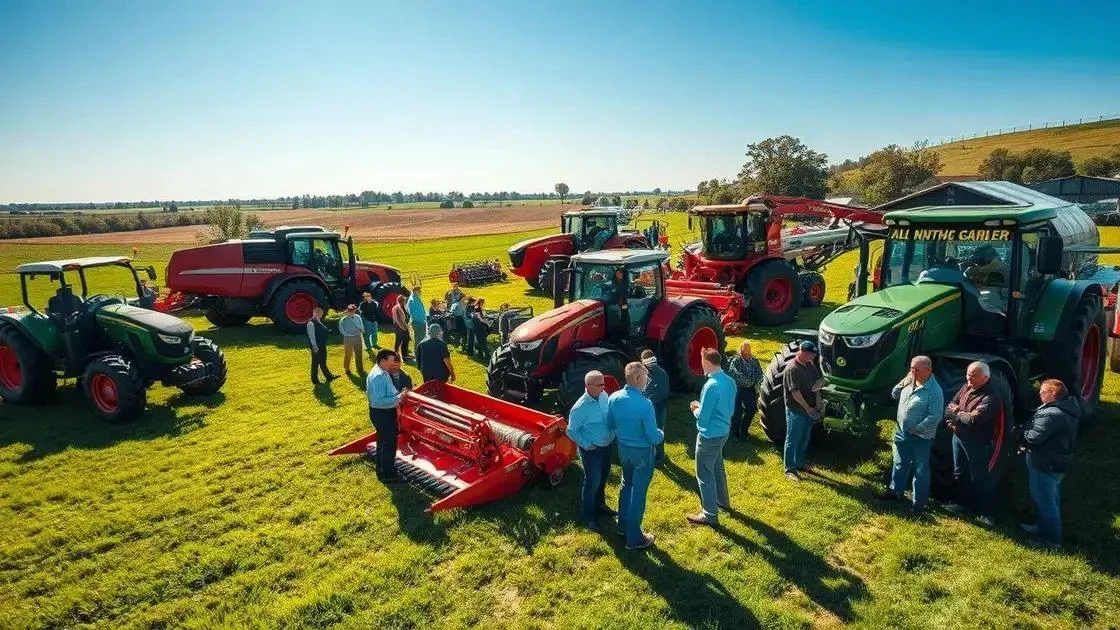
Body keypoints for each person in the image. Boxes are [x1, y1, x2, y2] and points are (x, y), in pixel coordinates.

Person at [607, 362, 664, 550]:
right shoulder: (645, 404)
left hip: (624, 449)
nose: (647, 381)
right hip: (642, 453)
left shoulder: (614, 397)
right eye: (646, 377)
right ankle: (635, 538)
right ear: (638, 379)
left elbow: (610, 423)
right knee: (639, 493)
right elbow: (652, 436)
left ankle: (622, 526)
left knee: (626, 485)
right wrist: (661, 434)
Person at [878, 356, 943, 515]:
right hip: (901, 432)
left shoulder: (934, 391)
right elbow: (894, 394)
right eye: (911, 368)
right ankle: (895, 491)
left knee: (920, 470)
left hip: (920, 437)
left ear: (928, 370)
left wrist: (917, 428)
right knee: (899, 462)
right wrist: (904, 382)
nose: (913, 372)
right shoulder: (909, 381)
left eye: (917, 369)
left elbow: (935, 416)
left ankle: (918, 504)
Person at [1020, 379, 1080, 548]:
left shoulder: (1053, 414)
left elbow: (1034, 436)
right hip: (1056, 462)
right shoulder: (1066, 407)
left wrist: (1022, 430)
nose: (1040, 393)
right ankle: (1041, 526)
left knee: (1045, 501)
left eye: (1044, 391)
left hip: (1046, 464)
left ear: (1053, 394)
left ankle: (1051, 541)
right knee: (1050, 498)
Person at [944, 361, 1001, 525]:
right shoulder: (966, 387)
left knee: (980, 477)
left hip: (976, 441)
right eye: (968, 374)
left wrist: (958, 413)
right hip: (958, 436)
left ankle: (987, 514)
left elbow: (974, 419)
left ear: (985, 377)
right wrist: (954, 420)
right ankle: (964, 504)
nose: (969, 378)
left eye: (974, 376)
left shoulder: (990, 396)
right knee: (960, 472)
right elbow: (949, 407)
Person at [686, 348, 735, 526]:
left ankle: (709, 514)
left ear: (706, 362)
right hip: (723, 431)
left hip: (709, 435)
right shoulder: (730, 381)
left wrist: (695, 409)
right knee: (717, 467)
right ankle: (723, 501)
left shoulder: (710, 386)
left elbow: (704, 416)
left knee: (704, 474)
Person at [566, 370, 617, 530]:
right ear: (587, 386)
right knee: (592, 482)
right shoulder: (579, 408)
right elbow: (571, 430)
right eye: (600, 384)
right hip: (592, 451)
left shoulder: (603, 396)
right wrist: (587, 445)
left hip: (607, 445)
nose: (604, 387)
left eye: (603, 383)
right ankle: (588, 516)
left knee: (603, 478)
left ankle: (600, 505)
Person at [782, 340, 823, 481]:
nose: (813, 358)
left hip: (810, 409)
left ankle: (799, 462)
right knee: (792, 439)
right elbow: (795, 392)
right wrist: (808, 408)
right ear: (802, 352)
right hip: (797, 410)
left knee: (804, 437)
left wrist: (817, 404)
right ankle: (789, 469)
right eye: (811, 355)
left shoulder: (810, 365)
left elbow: (817, 385)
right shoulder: (792, 368)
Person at [366, 350, 406, 483]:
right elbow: (379, 400)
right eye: (391, 361)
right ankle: (388, 474)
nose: (393, 363)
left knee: (383, 442)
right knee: (388, 443)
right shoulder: (378, 376)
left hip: (382, 412)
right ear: (382, 360)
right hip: (382, 413)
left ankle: (383, 469)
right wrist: (399, 398)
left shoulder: (382, 371)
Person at [726, 341, 763, 439]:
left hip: (749, 388)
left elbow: (759, 373)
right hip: (737, 388)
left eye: (748, 353)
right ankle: (735, 432)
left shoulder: (754, 360)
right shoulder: (736, 361)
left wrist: (752, 381)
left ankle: (744, 429)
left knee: (752, 408)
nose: (747, 355)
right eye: (744, 353)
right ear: (741, 351)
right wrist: (749, 380)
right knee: (737, 411)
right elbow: (734, 374)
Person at [640, 349, 670, 464]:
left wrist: (648, 401)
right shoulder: (649, 372)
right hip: (651, 407)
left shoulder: (660, 373)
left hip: (658, 408)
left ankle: (660, 456)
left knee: (657, 430)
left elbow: (662, 393)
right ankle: (654, 452)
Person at [306, 307, 338, 385]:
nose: (320, 315)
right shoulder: (310, 323)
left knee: (323, 362)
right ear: (314, 313)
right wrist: (314, 347)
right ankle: (315, 380)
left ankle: (329, 377)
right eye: (319, 313)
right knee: (315, 363)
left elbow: (323, 330)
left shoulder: (319, 321)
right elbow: (311, 336)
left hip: (322, 345)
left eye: (321, 313)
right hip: (316, 346)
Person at [338, 304, 367, 376]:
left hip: (357, 337)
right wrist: (351, 334)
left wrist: (361, 331)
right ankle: (347, 369)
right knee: (348, 354)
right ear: (348, 310)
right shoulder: (343, 319)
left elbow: (361, 326)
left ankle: (360, 369)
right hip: (348, 338)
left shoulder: (358, 317)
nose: (352, 312)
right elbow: (342, 330)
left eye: (353, 310)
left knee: (359, 353)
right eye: (350, 310)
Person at [407, 286, 427, 360]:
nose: (420, 292)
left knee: (422, 338)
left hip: (421, 321)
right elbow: (413, 314)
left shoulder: (416, 298)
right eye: (419, 291)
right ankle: (417, 355)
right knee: (419, 339)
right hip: (418, 322)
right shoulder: (412, 300)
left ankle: (421, 353)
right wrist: (422, 319)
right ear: (415, 291)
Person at [392, 295, 413, 361]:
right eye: (404, 300)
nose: (405, 301)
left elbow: (406, 316)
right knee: (398, 341)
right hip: (400, 328)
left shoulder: (403, 306)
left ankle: (405, 355)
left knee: (406, 340)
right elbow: (398, 319)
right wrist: (404, 326)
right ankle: (396, 355)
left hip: (404, 327)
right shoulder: (397, 308)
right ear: (401, 300)